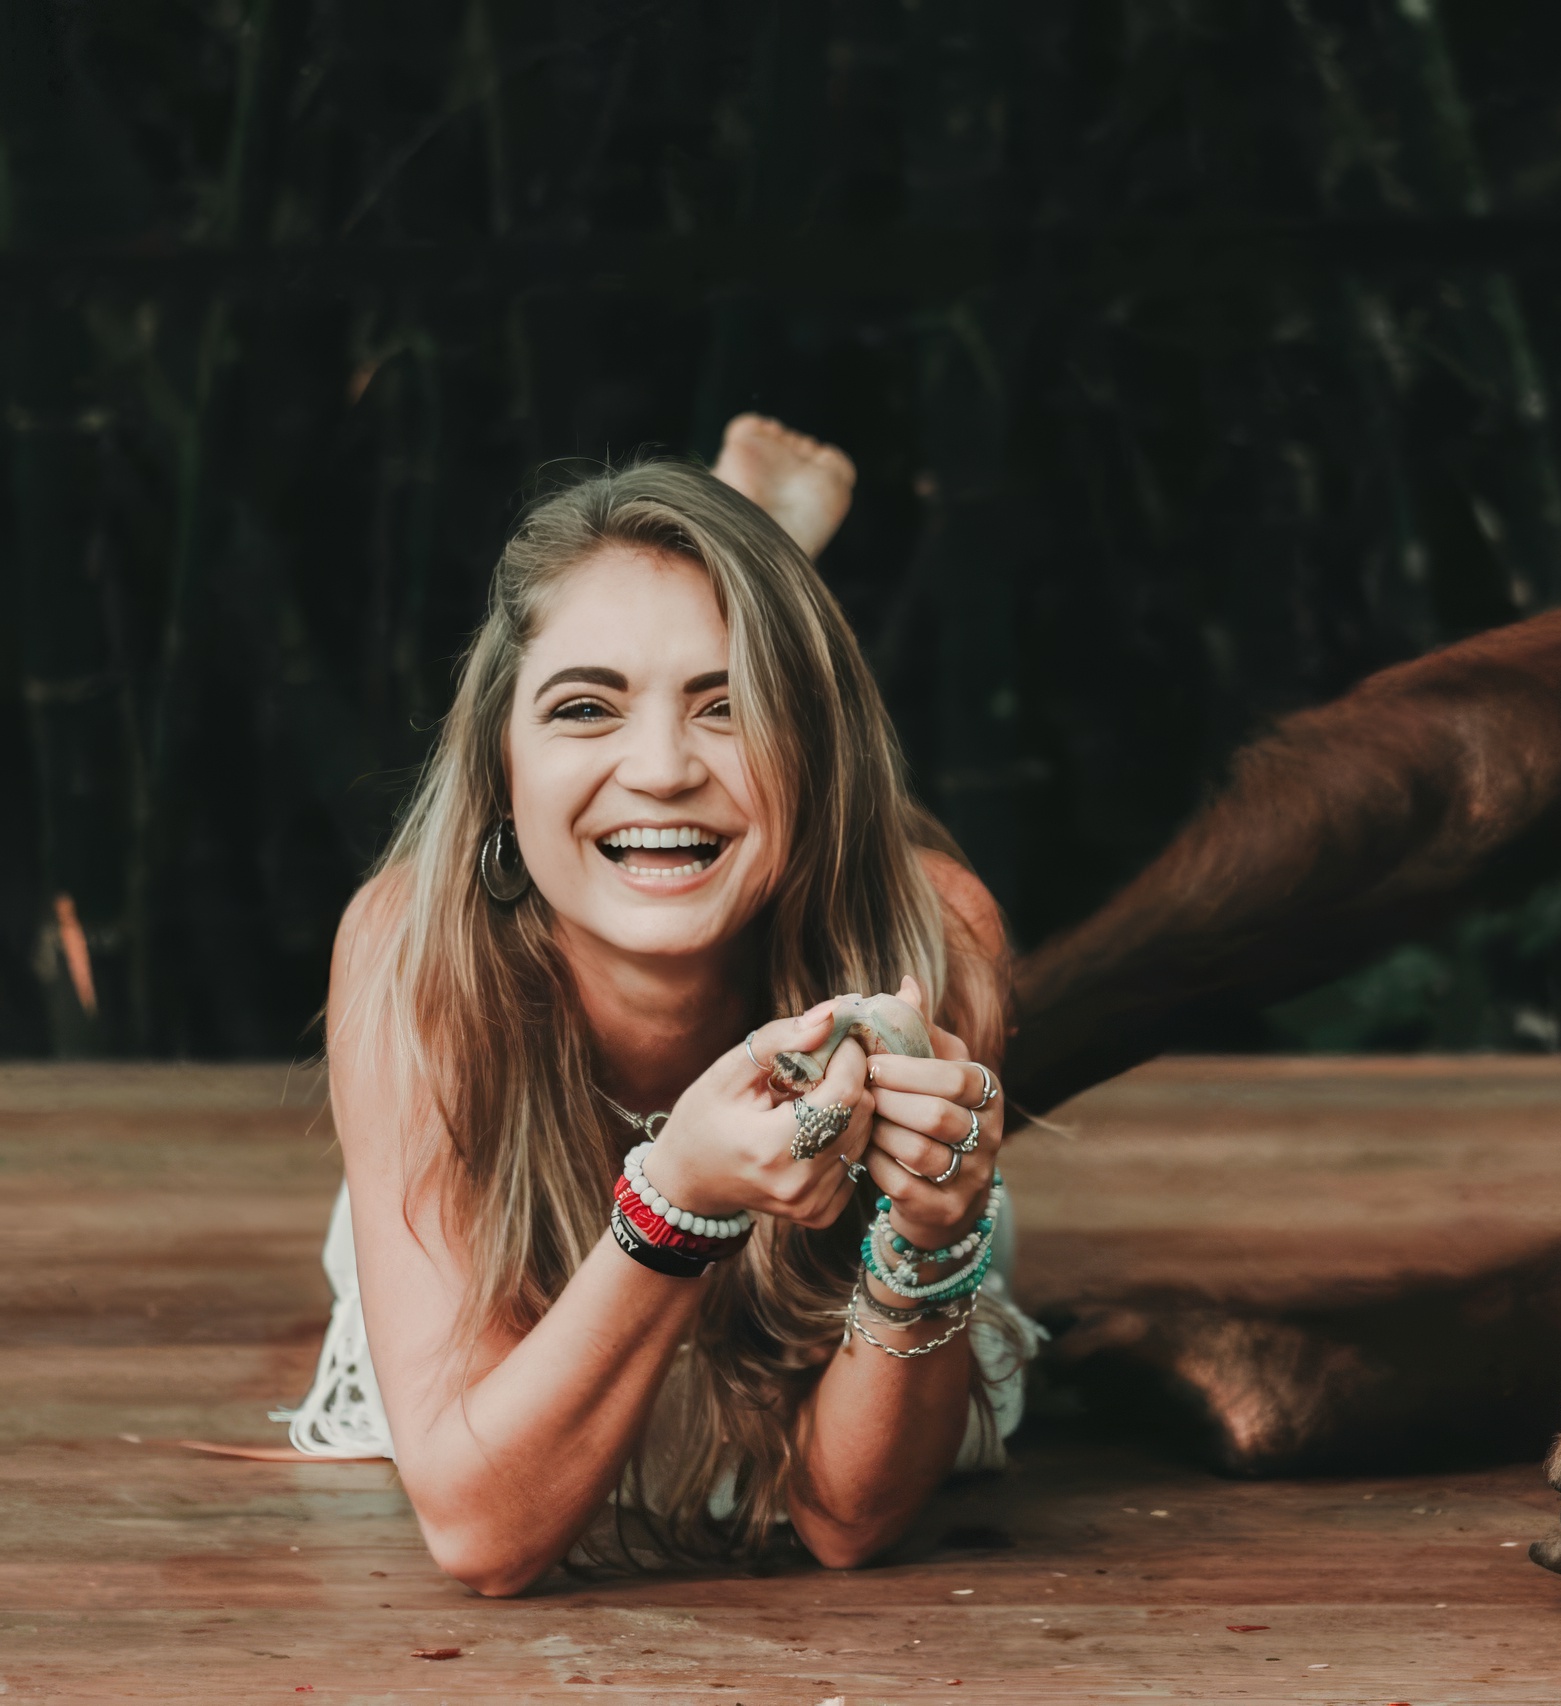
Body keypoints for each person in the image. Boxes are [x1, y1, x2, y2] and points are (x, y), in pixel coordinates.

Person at [278, 416, 1035, 1594]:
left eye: (728, 705)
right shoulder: (407, 952)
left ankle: (741, 590)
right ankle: (739, 558)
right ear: (500, 769)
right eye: (585, 707)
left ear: (814, 757)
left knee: (745, 817)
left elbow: (846, 1520)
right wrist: (677, 1198)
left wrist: (931, 1235)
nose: (665, 767)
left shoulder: (929, 941)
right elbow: (482, 1533)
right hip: (508, 1169)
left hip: (826, 909)